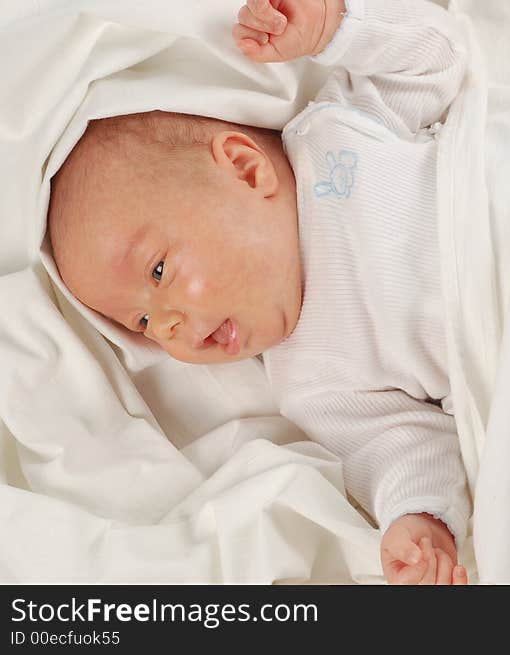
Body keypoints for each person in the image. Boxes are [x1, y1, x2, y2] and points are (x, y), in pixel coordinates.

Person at [47, 0, 471, 585]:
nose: (166, 327)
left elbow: (435, 56)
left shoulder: (334, 141)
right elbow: (403, 443)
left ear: (247, 170)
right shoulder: (311, 380)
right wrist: (420, 522)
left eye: (159, 272)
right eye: (142, 323)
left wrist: (334, 28)